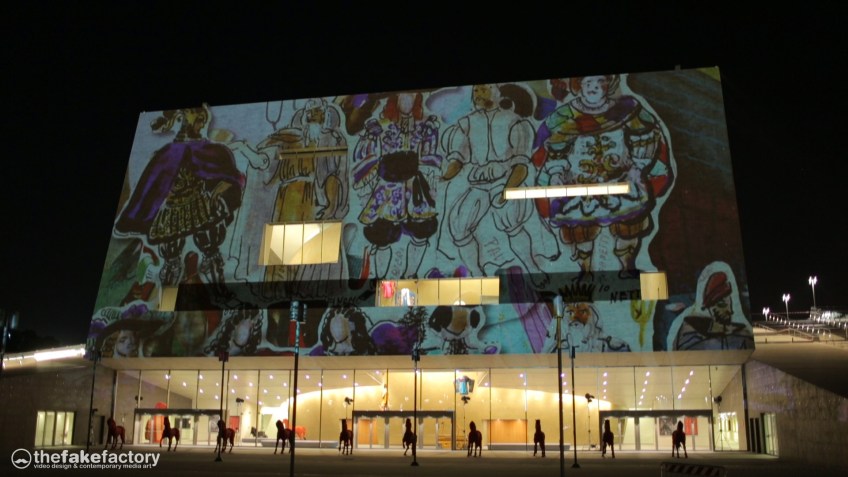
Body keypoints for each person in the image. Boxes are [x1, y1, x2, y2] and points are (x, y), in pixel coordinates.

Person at [533, 75, 673, 280]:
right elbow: (555, 150)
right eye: (588, 83)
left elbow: (646, 138)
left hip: (620, 182)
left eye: (600, 82)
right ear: (579, 86)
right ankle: (585, 272)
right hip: (580, 186)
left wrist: (638, 167)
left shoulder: (626, 110)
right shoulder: (564, 116)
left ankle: (627, 267)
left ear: (610, 84)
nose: (594, 87)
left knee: (629, 227)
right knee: (580, 233)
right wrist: (555, 174)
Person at [115, 104, 244, 299]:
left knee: (211, 251)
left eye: (201, 120)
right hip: (172, 212)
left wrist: (221, 187)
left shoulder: (212, 151)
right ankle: (167, 304)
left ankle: (220, 296)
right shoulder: (167, 154)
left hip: (201, 206)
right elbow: (152, 186)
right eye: (197, 119)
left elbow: (230, 175)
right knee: (171, 260)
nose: (200, 124)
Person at [441, 83, 550, 286]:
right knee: (458, 225)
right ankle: (477, 276)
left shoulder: (514, 122)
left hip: (505, 180)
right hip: (478, 184)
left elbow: (521, 165)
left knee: (510, 219)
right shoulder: (467, 123)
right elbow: (457, 159)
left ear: (497, 92)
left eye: (484, 89)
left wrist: (508, 190)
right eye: (476, 91)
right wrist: (444, 177)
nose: (478, 94)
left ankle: (532, 269)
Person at [352, 92, 441, 279]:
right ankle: (381, 279)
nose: (407, 101)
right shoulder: (381, 125)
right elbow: (366, 155)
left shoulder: (424, 125)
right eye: (403, 97)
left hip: (414, 187)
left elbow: (429, 156)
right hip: (388, 188)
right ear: (395, 100)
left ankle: (410, 274)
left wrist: (432, 185)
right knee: (382, 235)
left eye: (411, 97)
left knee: (421, 230)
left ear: (417, 100)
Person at [670, 263, 754, 350]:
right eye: (721, 303)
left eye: (729, 301)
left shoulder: (743, 335)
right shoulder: (689, 335)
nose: (729, 310)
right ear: (709, 307)